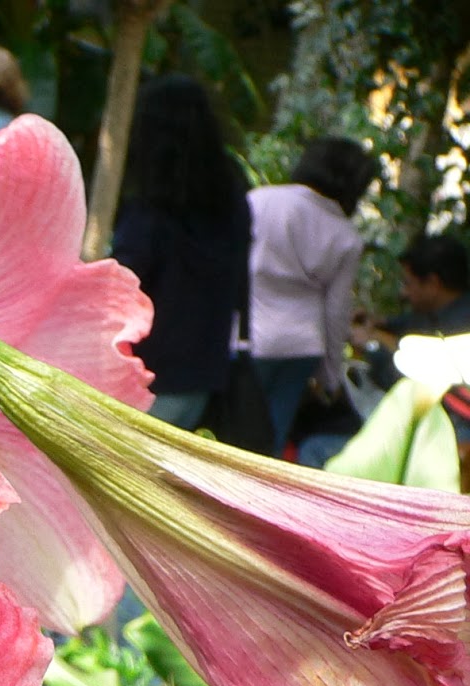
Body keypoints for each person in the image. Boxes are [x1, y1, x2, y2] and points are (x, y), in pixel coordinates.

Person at [110, 75, 251, 430]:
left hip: (146, 375)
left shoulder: (149, 210)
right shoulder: (233, 202)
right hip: (203, 374)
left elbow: (122, 287)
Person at [246, 137, 380, 454]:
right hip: (302, 345)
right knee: (272, 438)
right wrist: (331, 375)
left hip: (250, 335)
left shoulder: (260, 201)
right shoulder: (346, 236)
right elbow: (336, 310)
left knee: (231, 428)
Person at [352, 233, 470, 389]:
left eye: (407, 284)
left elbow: (407, 383)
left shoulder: (458, 334)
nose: (404, 293)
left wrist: (371, 346)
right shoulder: (444, 311)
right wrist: (381, 322)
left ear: (432, 284)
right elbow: (412, 323)